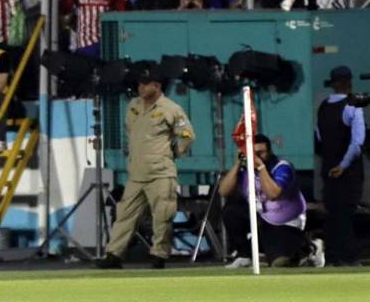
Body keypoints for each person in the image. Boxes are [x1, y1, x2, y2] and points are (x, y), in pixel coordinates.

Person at [97, 68, 194, 269]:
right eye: (140, 83)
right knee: (124, 215)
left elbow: (187, 134)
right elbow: (131, 132)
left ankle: (159, 254)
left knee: (163, 216)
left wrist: (175, 152)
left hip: (161, 173)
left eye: (145, 83)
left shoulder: (171, 108)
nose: (140, 87)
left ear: (157, 86)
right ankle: (114, 254)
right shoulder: (133, 106)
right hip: (137, 173)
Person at [219, 134, 324, 269]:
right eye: (252, 153)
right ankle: (244, 255)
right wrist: (238, 163)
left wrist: (261, 167)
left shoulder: (282, 167)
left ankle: (310, 247)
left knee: (279, 262)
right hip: (262, 216)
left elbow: (273, 194)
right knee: (231, 212)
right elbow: (223, 191)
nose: (256, 157)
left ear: (269, 152)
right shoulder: (246, 168)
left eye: (260, 153)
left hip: (285, 221)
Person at [316, 66, 365, 266]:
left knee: (333, 214)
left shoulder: (323, 106)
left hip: (328, 167)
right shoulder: (353, 106)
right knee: (346, 213)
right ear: (349, 82)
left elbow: (319, 137)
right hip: (348, 171)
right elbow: (357, 142)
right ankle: (349, 257)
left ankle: (334, 255)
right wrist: (343, 165)